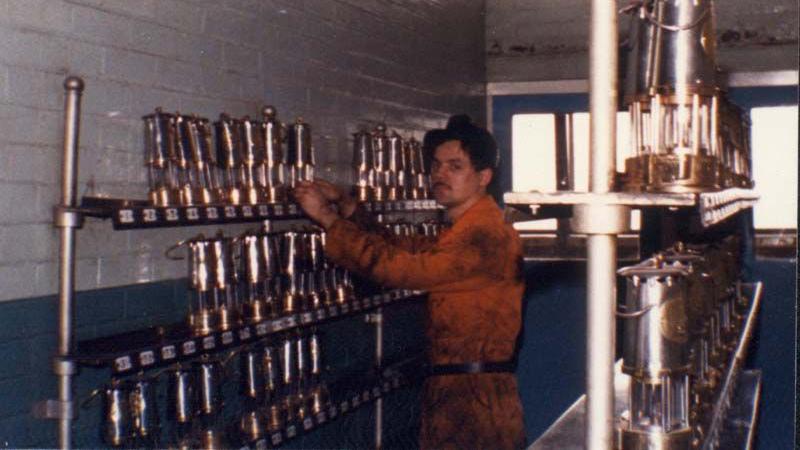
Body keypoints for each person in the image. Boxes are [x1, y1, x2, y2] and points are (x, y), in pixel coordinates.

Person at [293, 115, 526, 449]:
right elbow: (403, 247)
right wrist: (347, 207)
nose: (440, 175)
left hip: (475, 402)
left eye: (455, 166)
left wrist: (328, 220)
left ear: (483, 177)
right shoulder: (465, 231)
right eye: (436, 166)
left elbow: (402, 269)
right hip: (458, 391)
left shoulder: (484, 239)